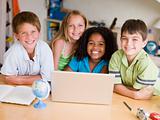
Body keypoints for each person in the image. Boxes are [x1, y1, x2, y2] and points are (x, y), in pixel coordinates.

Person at [109, 19, 159, 100]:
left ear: (144, 43)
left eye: (135, 39)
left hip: (153, 99)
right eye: (124, 38)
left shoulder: (146, 64)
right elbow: (115, 86)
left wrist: (120, 88)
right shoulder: (116, 56)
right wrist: (135, 95)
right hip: (130, 98)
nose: (128, 43)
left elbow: (141, 92)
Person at [0, 11, 54, 85]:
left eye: (33, 32)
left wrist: (19, 80)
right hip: (16, 88)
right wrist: (39, 77)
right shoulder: (13, 52)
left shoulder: (44, 49)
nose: (29, 37)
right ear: (16, 36)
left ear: (39, 32)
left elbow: (48, 78)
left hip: (40, 89)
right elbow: (7, 78)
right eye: (24, 33)